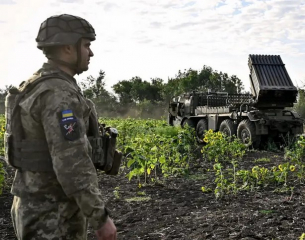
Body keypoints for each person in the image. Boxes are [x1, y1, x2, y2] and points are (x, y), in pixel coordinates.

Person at [7, 14, 117, 240]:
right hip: (53, 216)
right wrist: (100, 218)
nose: (91, 52)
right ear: (68, 48)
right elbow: (72, 162)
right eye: (86, 45)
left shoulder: (35, 85)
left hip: (33, 206)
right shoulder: (59, 94)